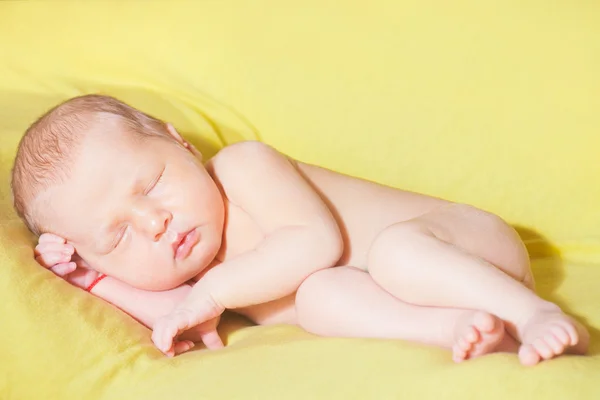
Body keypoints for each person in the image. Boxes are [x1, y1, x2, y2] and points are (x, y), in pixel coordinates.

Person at [11, 94, 589, 365]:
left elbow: (315, 243)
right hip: (406, 293)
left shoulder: (242, 168)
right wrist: (90, 276)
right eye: (118, 238)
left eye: (153, 184)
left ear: (181, 144)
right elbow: (177, 316)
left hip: (464, 245)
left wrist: (210, 295)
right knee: (319, 296)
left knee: (393, 250)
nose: (154, 223)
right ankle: (464, 329)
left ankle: (533, 313)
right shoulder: (192, 272)